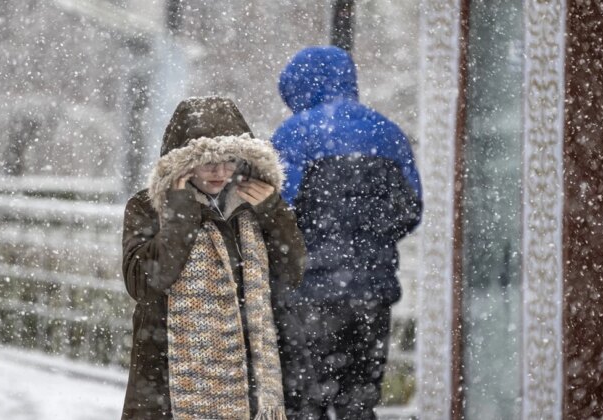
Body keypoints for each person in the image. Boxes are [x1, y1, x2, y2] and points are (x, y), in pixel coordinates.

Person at [121, 96, 307, 419]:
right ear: (183, 163)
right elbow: (146, 282)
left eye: (230, 161)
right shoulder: (148, 208)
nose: (220, 172)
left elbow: (293, 271)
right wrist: (180, 215)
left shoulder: (253, 204)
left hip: (246, 387)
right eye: (208, 163)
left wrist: (274, 213)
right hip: (166, 389)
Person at [272, 46, 423, 419]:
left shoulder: (293, 135)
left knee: (303, 401)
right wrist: (366, 243)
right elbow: (410, 211)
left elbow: (277, 214)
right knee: (359, 400)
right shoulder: (388, 134)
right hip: (372, 293)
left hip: (307, 294)